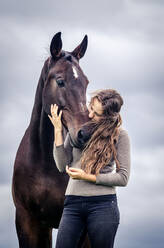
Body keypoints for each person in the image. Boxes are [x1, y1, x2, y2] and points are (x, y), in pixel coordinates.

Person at [48, 89, 131, 248]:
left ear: (109, 117)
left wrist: (86, 177)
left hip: (103, 205)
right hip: (72, 204)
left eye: (97, 113)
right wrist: (58, 130)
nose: (91, 115)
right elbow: (61, 165)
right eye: (90, 108)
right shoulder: (78, 129)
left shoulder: (120, 135)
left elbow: (123, 178)